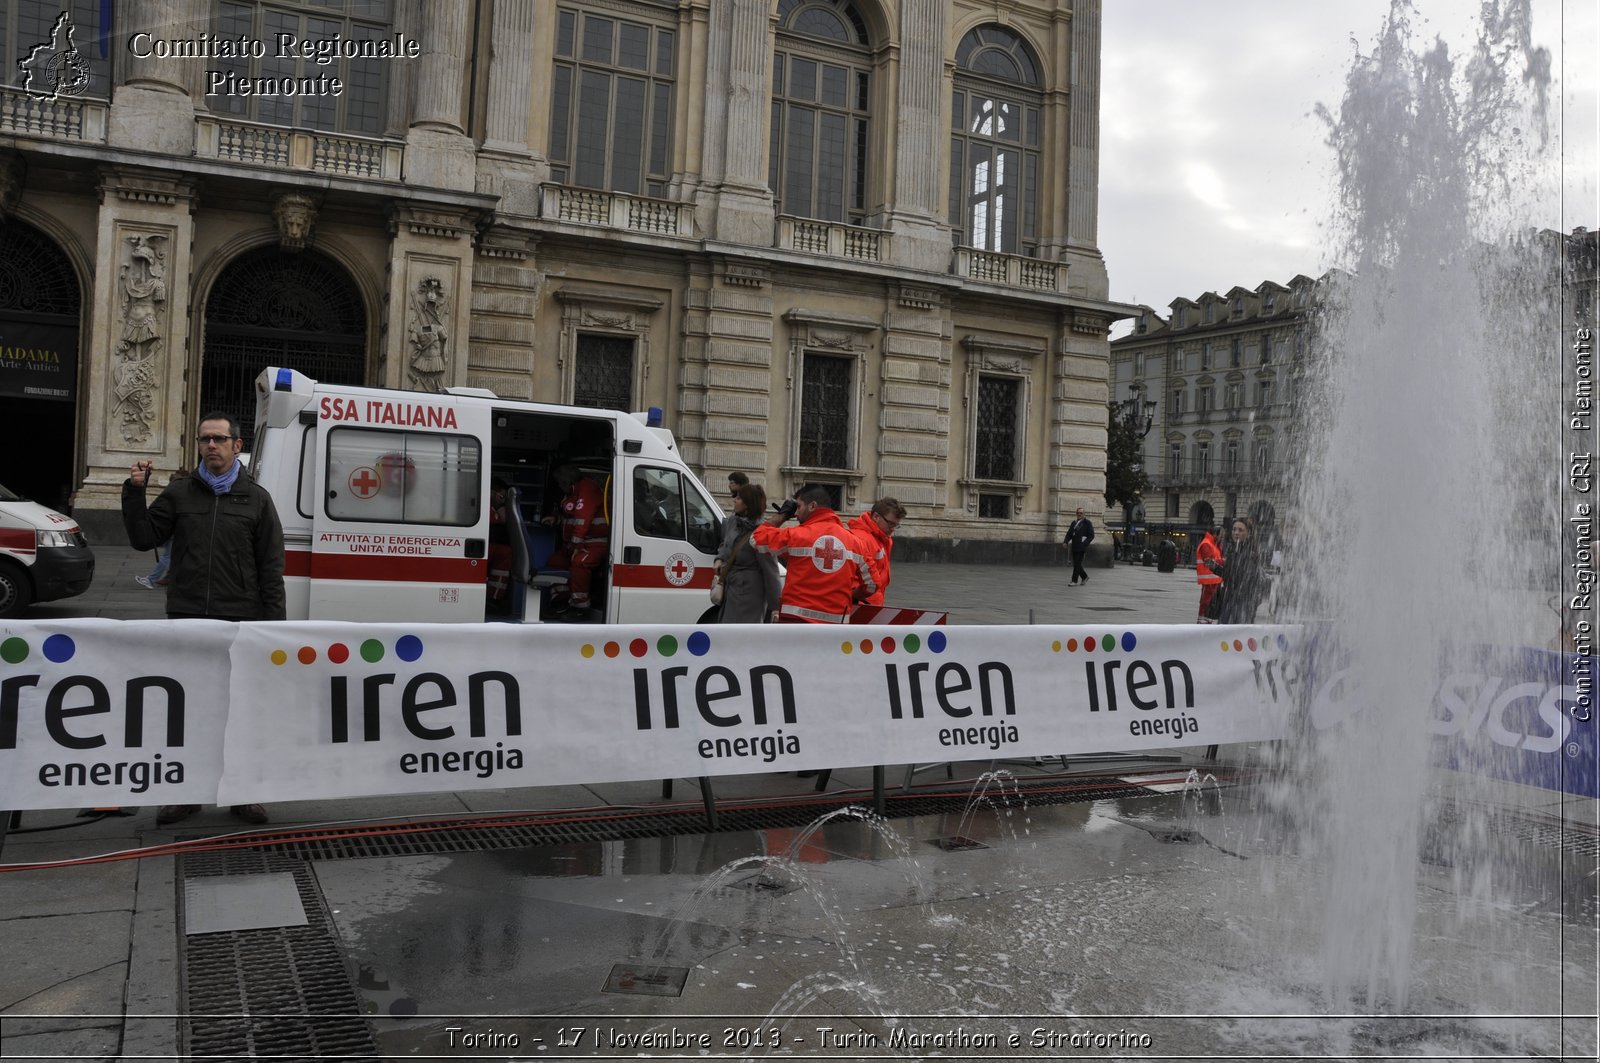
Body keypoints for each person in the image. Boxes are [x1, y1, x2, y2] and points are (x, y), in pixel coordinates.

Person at [122, 412, 285, 827]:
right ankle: (185, 794)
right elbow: (144, 538)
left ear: (237, 445)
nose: (211, 445)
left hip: (241, 620)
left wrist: (274, 628)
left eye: (219, 439)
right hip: (188, 616)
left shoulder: (258, 499)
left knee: (241, 712)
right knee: (187, 710)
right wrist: (133, 492)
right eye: (204, 439)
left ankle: (243, 794)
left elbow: (271, 568)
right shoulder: (180, 494)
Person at [752, 484, 874, 624]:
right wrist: (851, 595)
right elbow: (872, 585)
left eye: (798, 507)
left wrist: (783, 515)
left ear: (812, 506)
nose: (796, 513)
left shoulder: (796, 536)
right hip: (835, 627)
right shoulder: (856, 543)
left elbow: (756, 539)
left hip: (796, 622)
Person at [542, 464, 609, 616]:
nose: (559, 486)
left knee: (580, 562)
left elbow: (583, 517)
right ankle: (562, 601)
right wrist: (555, 519)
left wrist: (577, 544)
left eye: (560, 482)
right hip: (576, 543)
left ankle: (580, 607)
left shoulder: (587, 489)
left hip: (595, 543)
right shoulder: (572, 492)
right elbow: (570, 517)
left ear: (567, 481)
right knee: (555, 562)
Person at [715, 483, 781, 623]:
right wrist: (719, 558)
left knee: (742, 637)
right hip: (730, 589)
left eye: (738, 498)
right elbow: (725, 544)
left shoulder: (761, 533)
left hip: (749, 595)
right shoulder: (733, 521)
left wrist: (776, 607)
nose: (734, 500)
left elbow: (771, 571)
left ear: (747, 505)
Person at [848, 497, 904, 608]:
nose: (892, 529)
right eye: (891, 524)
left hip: (870, 603)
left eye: (896, 525)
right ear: (876, 517)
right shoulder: (861, 539)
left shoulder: (883, 538)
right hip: (862, 605)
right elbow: (853, 579)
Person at [1213, 517, 1267, 624]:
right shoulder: (1234, 551)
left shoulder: (1250, 554)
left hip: (1242, 605)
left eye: (1240, 530)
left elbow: (1248, 581)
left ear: (1248, 534)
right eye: (1234, 529)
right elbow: (1230, 575)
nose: (1236, 533)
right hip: (1229, 602)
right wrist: (1215, 568)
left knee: (1235, 635)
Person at [1194, 526, 1223, 622]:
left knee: (1211, 601)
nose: (1222, 538)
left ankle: (1207, 618)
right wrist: (1224, 562)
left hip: (1214, 579)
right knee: (1206, 601)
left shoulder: (1213, 544)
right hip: (1209, 579)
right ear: (1215, 534)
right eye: (1221, 536)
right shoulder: (1206, 544)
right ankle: (1203, 619)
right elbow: (1208, 561)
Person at [1064, 507, 1095, 585]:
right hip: (1074, 546)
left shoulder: (1087, 523)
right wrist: (1065, 542)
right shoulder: (1074, 522)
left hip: (1081, 547)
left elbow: (1091, 535)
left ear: (1084, 514)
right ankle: (1084, 577)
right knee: (1076, 564)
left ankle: (1074, 581)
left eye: (1081, 513)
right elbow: (1069, 533)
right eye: (1078, 513)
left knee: (1077, 564)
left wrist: (1085, 543)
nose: (1079, 514)